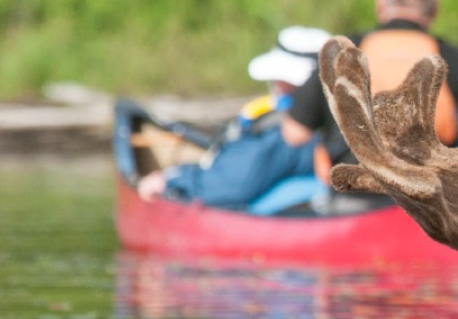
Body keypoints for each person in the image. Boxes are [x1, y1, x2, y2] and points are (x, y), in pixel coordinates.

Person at [282, 0, 458, 197]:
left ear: (380, 5)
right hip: (429, 204)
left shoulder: (345, 55)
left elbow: (294, 134)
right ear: (434, 8)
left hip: (353, 202)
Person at [138, 26, 333, 214]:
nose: (275, 84)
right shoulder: (337, 120)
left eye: (279, 78)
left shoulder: (285, 131)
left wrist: (171, 180)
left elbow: (233, 184)